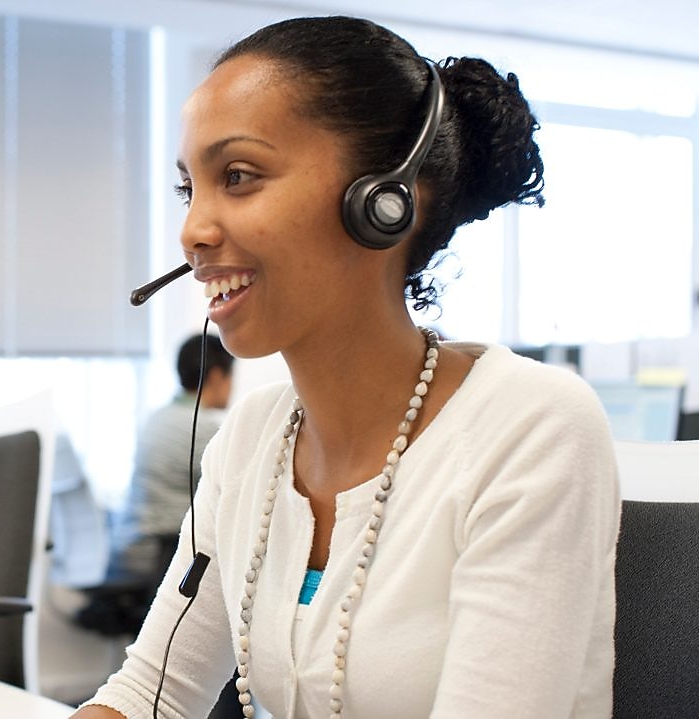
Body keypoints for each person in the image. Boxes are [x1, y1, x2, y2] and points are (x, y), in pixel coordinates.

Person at [73, 15, 618, 719]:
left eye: (238, 176)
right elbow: (151, 694)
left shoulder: (529, 428)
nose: (193, 230)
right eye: (190, 189)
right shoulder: (251, 442)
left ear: (386, 201)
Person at [78, 333, 234, 637]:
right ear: (216, 376)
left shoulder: (158, 418)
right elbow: (237, 496)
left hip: (130, 550)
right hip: (155, 556)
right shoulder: (201, 429)